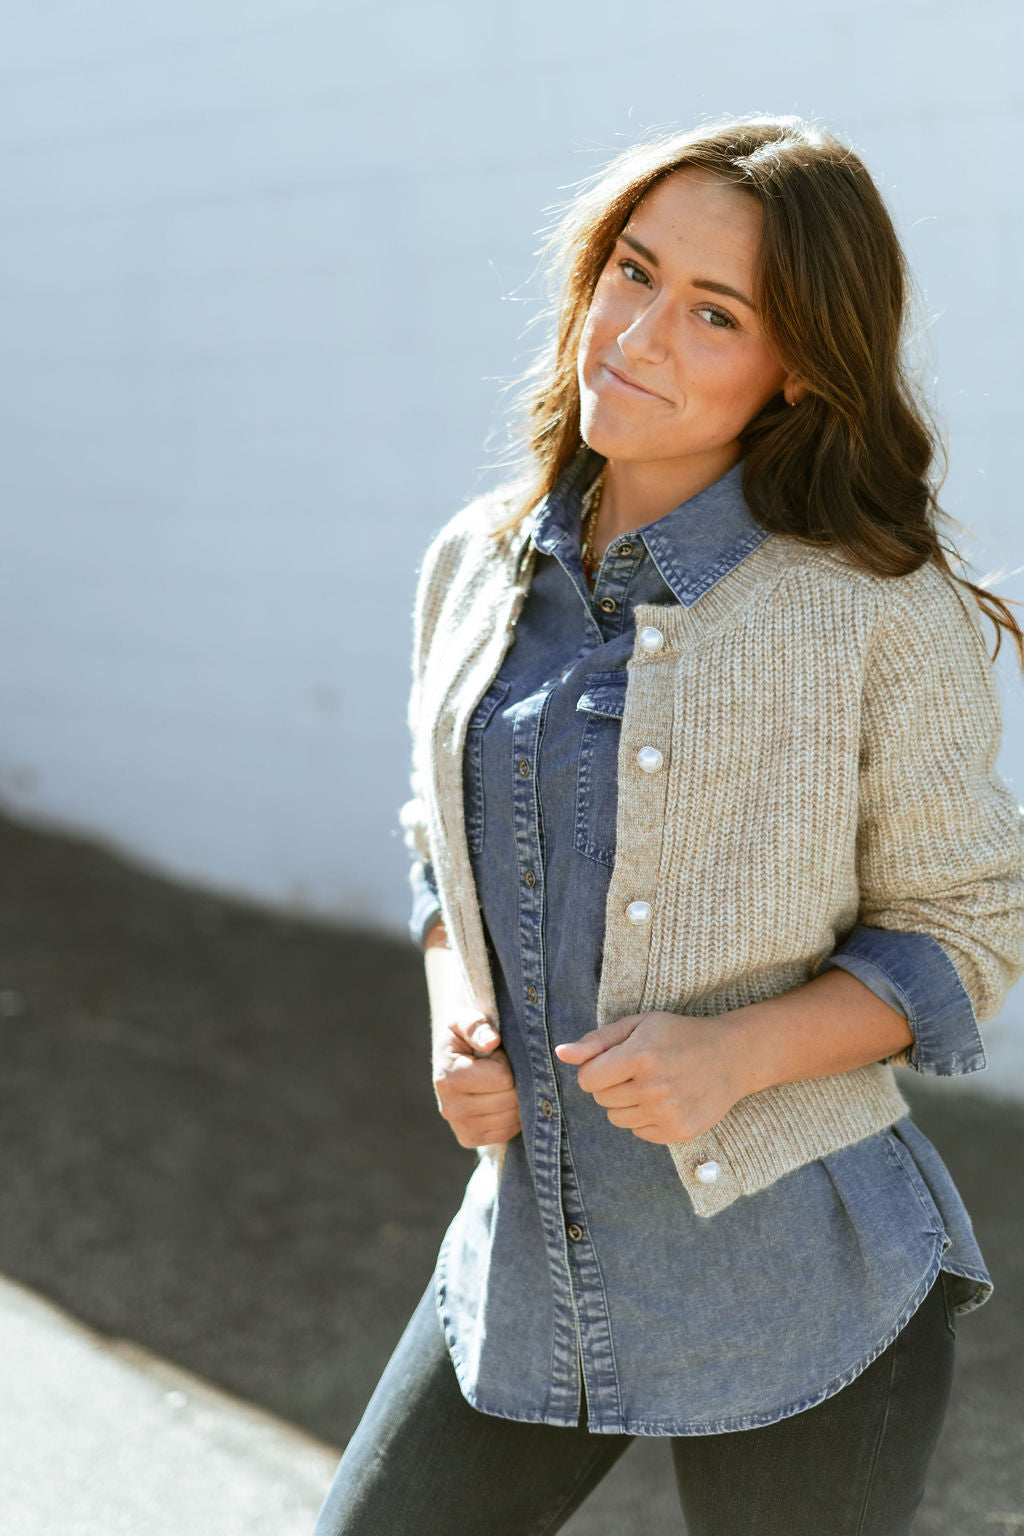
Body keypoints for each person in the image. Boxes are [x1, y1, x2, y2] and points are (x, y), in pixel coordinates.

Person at [312, 116, 1024, 1536]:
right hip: (525, 1266)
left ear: (798, 368)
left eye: (713, 313)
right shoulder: (473, 563)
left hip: (807, 1294)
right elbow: (432, 836)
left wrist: (737, 1053)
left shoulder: (878, 611)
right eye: (630, 273)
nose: (634, 333)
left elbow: (971, 925)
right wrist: (459, 1010)